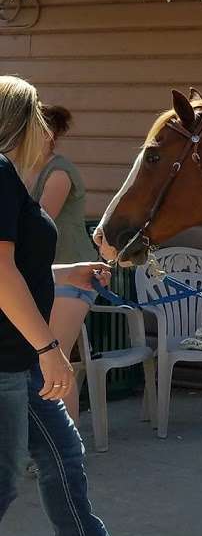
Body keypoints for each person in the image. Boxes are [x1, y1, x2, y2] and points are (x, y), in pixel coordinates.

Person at [0, 76, 168, 536]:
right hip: (8, 359)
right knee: (5, 479)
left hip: (15, 358)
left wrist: (64, 272)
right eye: (40, 118)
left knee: (63, 458)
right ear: (21, 122)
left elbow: (16, 267)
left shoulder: (14, 181)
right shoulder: (0, 175)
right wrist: (49, 350)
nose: (47, 130)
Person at [28, 105, 98, 426]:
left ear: (49, 133)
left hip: (75, 275)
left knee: (56, 357)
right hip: (43, 276)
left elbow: (37, 225)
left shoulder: (58, 172)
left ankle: (66, 443)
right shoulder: (21, 169)